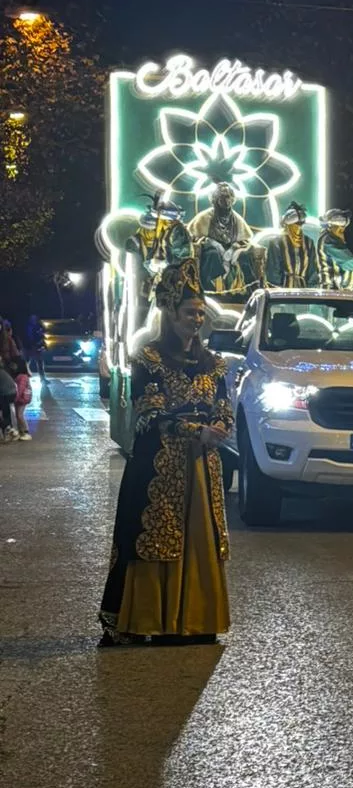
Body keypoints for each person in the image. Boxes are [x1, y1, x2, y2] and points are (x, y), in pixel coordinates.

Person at [98, 259, 234, 648]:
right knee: (153, 537)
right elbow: (152, 412)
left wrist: (222, 426)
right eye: (190, 312)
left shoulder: (215, 364)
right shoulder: (150, 360)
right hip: (159, 465)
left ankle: (193, 620)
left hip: (201, 466)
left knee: (199, 541)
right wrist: (197, 430)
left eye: (201, 312)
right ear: (170, 314)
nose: (197, 319)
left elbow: (224, 405)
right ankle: (147, 619)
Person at [188, 183, 254, 294]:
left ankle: (244, 291)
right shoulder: (203, 218)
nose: (226, 200)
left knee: (244, 256)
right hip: (211, 250)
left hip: (232, 253)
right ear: (215, 199)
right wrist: (213, 244)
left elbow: (245, 240)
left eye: (228, 197)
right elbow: (194, 237)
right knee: (212, 255)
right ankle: (210, 290)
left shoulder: (237, 220)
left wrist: (233, 249)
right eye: (222, 197)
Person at [1, 321, 33, 439]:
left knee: (19, 414)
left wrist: (16, 396)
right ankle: (20, 432)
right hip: (18, 393)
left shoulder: (20, 375)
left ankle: (24, 432)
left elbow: (22, 386)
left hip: (21, 395)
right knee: (18, 414)